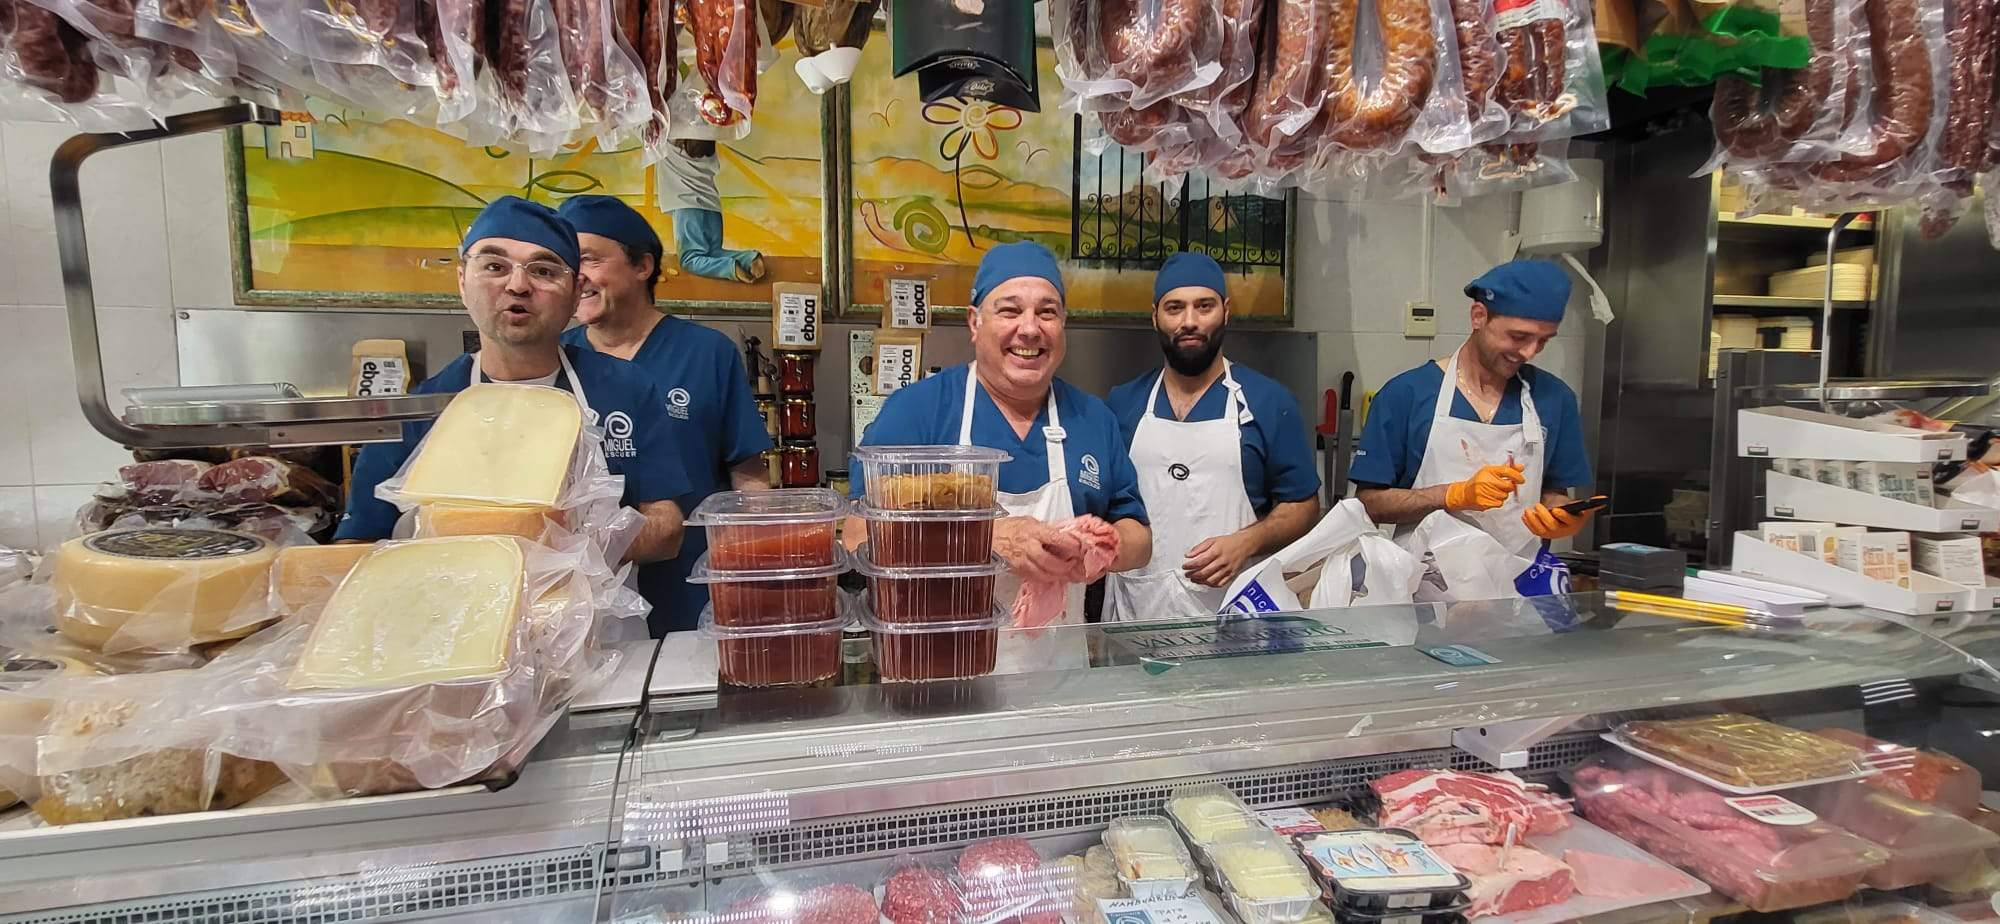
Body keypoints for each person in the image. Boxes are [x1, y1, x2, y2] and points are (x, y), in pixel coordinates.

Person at [335, 197, 695, 632]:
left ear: (575, 292)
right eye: (494, 266)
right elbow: (359, 545)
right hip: (450, 640)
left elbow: (667, 528)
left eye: (544, 271)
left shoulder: (626, 389)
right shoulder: (423, 409)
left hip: (596, 641)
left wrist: (566, 538)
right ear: (461, 280)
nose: (518, 286)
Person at [848, 241, 1152, 625]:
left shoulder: (1093, 417)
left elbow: (1139, 539)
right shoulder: (917, 410)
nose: (1029, 329)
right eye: (1009, 310)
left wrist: (1099, 546)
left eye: (1047, 313)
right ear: (975, 322)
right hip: (938, 664)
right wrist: (988, 539)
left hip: (1057, 668)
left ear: (1063, 323)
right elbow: (858, 534)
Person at [557, 195, 775, 632]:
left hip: (691, 586)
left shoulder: (706, 352)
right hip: (579, 601)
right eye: (565, 264)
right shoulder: (558, 360)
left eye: (590, 260)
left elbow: (749, 476)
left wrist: (754, 573)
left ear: (642, 266)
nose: (576, 278)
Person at [1102, 253, 1321, 621]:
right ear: (1155, 315)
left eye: (1204, 306)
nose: (1189, 321)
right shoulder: (1121, 404)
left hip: (1232, 617)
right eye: (1175, 308)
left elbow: (1304, 505)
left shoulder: (1268, 402)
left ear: (1226, 311)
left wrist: (1247, 541)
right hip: (1134, 615)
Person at [1351, 259, 1595, 558]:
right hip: (1426, 589)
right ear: (1478, 316)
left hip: (1520, 586)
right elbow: (1368, 504)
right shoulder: (1406, 395)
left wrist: (1562, 516)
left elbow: (1555, 493)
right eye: (1518, 336)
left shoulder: (1555, 399)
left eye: (1543, 340)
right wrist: (1453, 495)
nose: (1530, 352)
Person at [659, 140, 766, 283]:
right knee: (712, 253)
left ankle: (730, 268)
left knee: (689, 259)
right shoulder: (707, 135)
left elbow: (635, 122)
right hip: (712, 206)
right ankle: (749, 258)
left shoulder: (667, 136)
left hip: (687, 208)